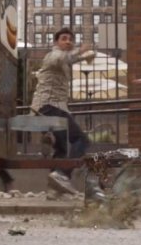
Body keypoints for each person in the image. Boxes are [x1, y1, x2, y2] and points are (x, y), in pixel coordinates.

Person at [30, 27, 93, 195]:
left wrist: (83, 57)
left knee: (61, 149)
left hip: (46, 107)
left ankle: (54, 190)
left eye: (71, 39)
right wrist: (81, 51)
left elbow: (68, 60)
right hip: (50, 106)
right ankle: (63, 175)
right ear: (56, 42)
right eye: (64, 38)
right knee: (81, 139)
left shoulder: (63, 61)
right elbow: (61, 58)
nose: (68, 42)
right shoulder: (53, 55)